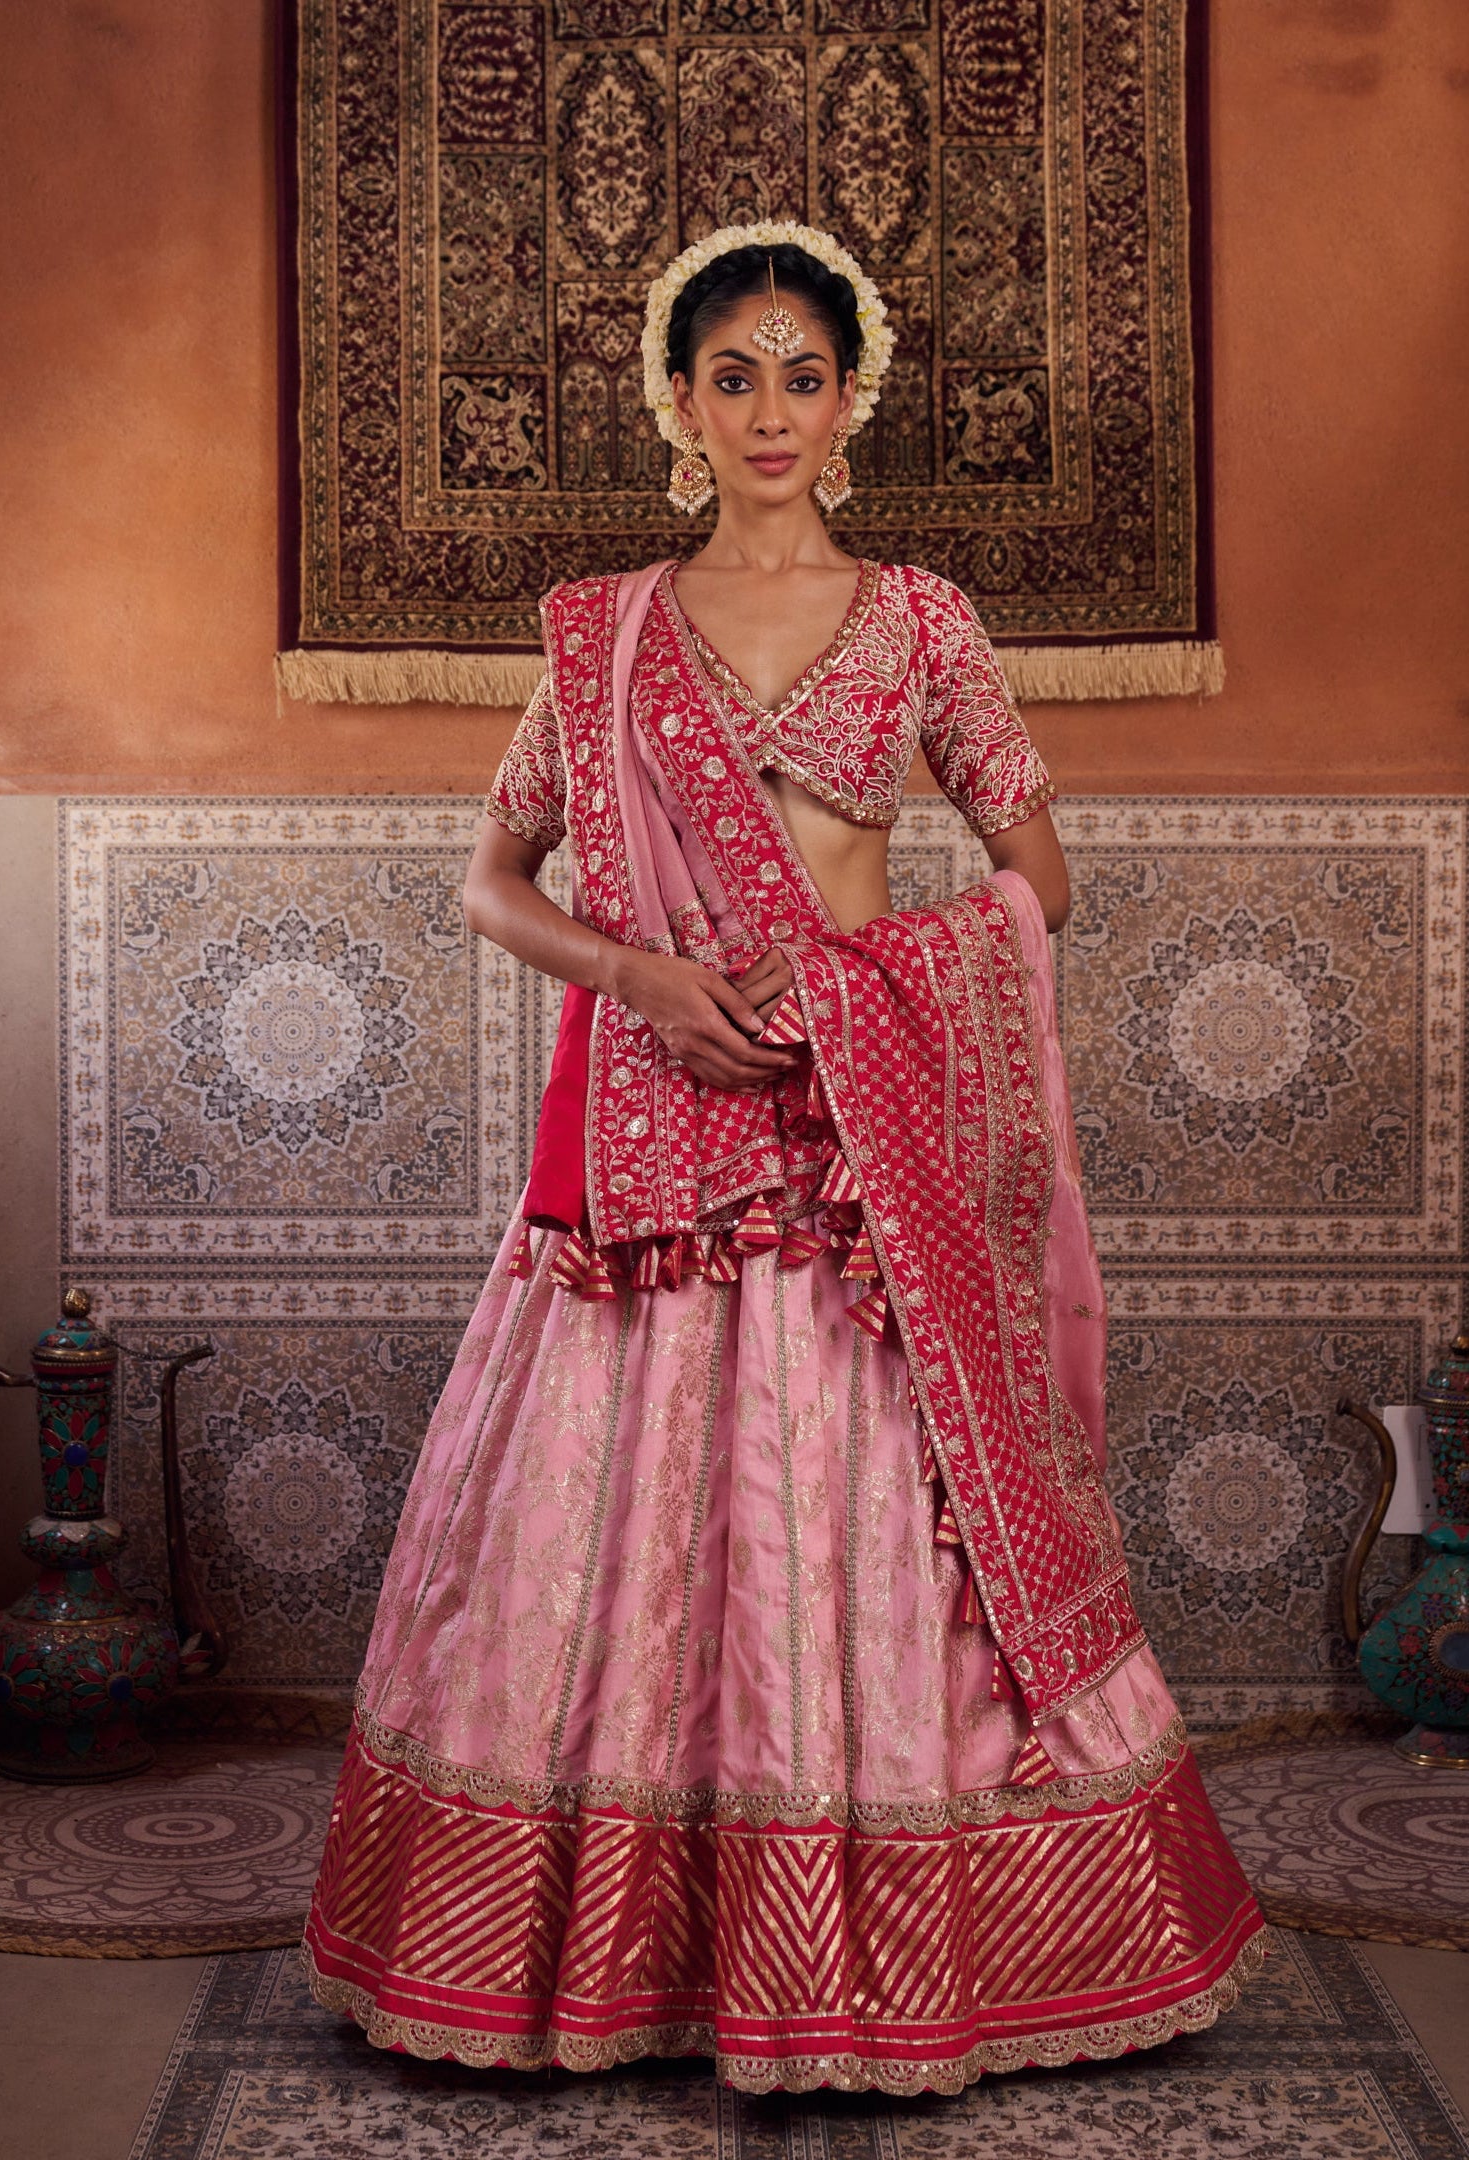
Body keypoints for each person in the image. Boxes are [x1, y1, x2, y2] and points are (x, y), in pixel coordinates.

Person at [302, 220, 1266, 2094]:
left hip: (859, 1156)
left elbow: (1036, 884)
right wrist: (638, 971)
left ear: (851, 401)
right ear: (677, 398)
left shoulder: (922, 619)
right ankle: (613, 1962)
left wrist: (871, 981)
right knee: (617, 1544)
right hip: (653, 1162)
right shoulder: (598, 633)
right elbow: (490, 884)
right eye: (729, 373)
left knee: (858, 1541)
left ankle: (871, 1969)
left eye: (801, 376)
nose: (767, 409)